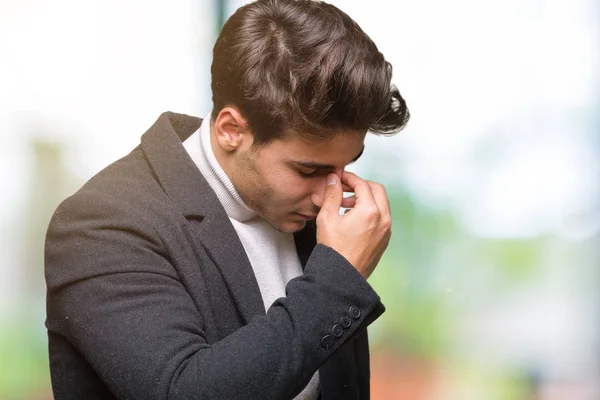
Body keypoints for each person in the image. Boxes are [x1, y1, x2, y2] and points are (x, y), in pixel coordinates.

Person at [44, 0, 410, 399]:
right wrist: (338, 279)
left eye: (346, 165)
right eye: (308, 170)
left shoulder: (321, 222)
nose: (330, 194)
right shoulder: (101, 224)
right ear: (231, 130)